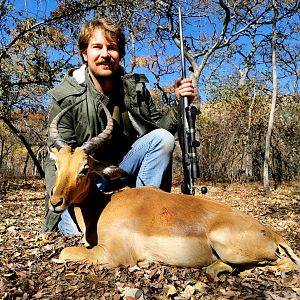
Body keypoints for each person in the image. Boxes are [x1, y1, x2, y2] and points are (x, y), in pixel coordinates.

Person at [42, 18, 195, 236]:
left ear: (119, 54)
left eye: (111, 48)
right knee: (76, 232)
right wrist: (57, 201)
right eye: (97, 47)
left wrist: (179, 104)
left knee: (163, 138)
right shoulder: (66, 95)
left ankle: (149, 214)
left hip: (122, 170)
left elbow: (159, 131)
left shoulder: (134, 87)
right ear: (84, 54)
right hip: (85, 181)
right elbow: (59, 158)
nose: (105, 54)